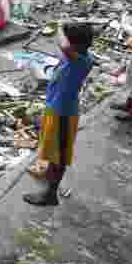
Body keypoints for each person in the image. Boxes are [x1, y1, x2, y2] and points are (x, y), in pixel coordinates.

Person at [25, 23, 95, 207]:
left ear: (77, 46)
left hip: (63, 113)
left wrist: (59, 27)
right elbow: (65, 49)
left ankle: (50, 195)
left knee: (59, 157)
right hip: (56, 108)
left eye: (70, 42)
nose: (65, 46)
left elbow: (63, 45)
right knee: (52, 150)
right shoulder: (77, 56)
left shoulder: (81, 60)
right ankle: (49, 175)